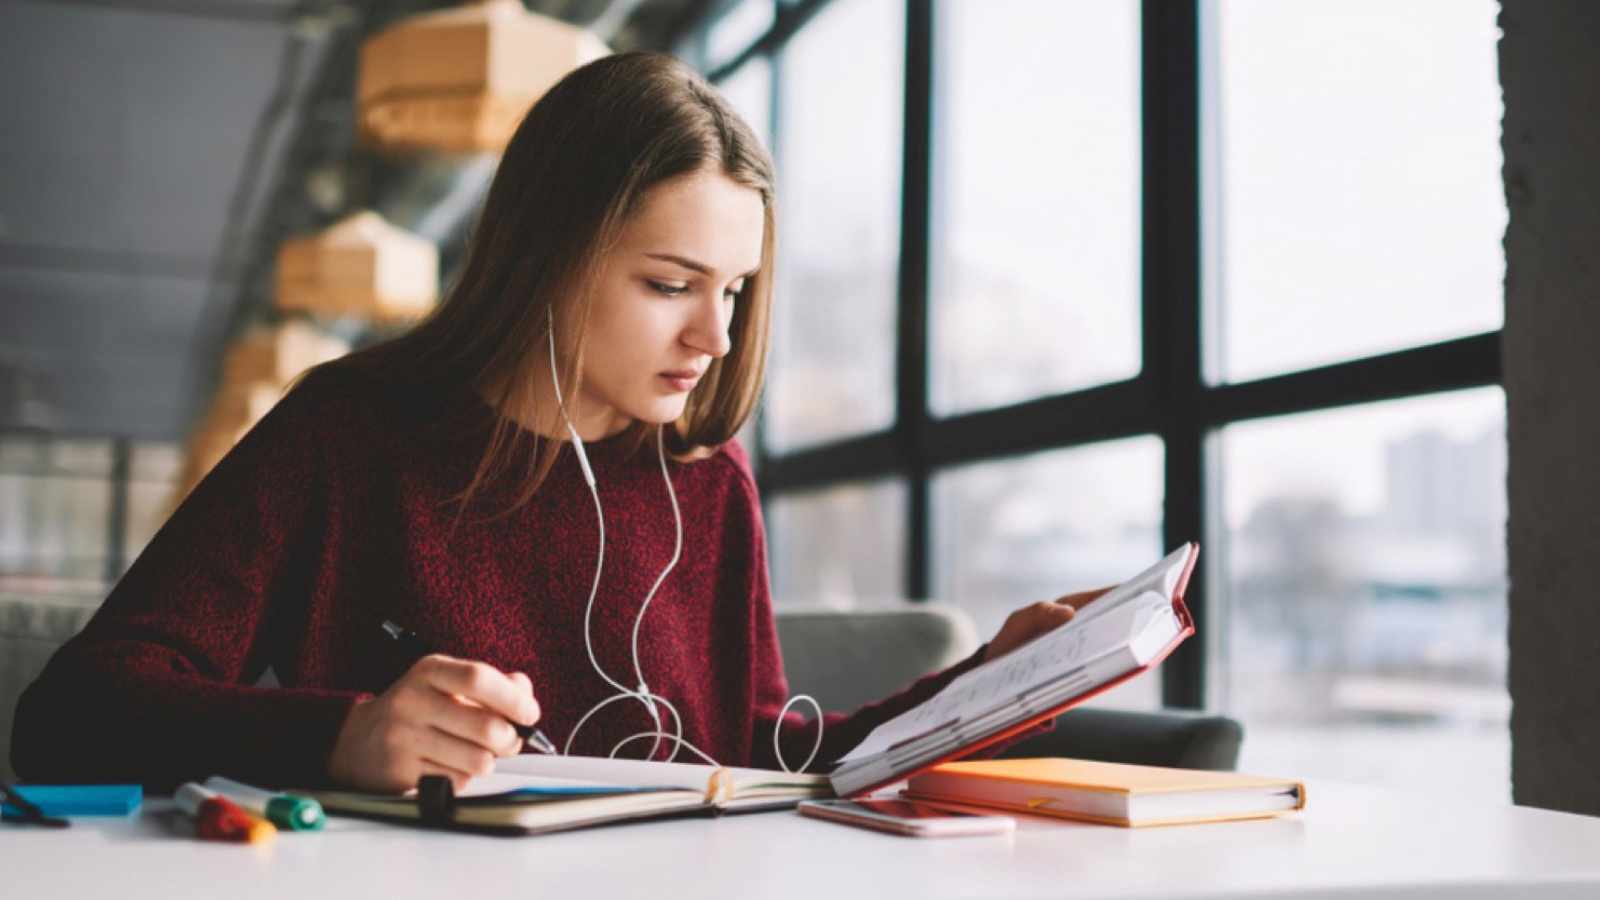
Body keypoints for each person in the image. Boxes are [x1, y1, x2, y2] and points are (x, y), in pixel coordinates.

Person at [11, 52, 1100, 794]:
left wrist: (990, 682)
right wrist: (342, 738)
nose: (713, 339)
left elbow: (760, 755)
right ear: (550, 255)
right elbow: (70, 718)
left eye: (732, 292)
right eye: (670, 284)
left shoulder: (707, 487)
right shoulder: (350, 433)